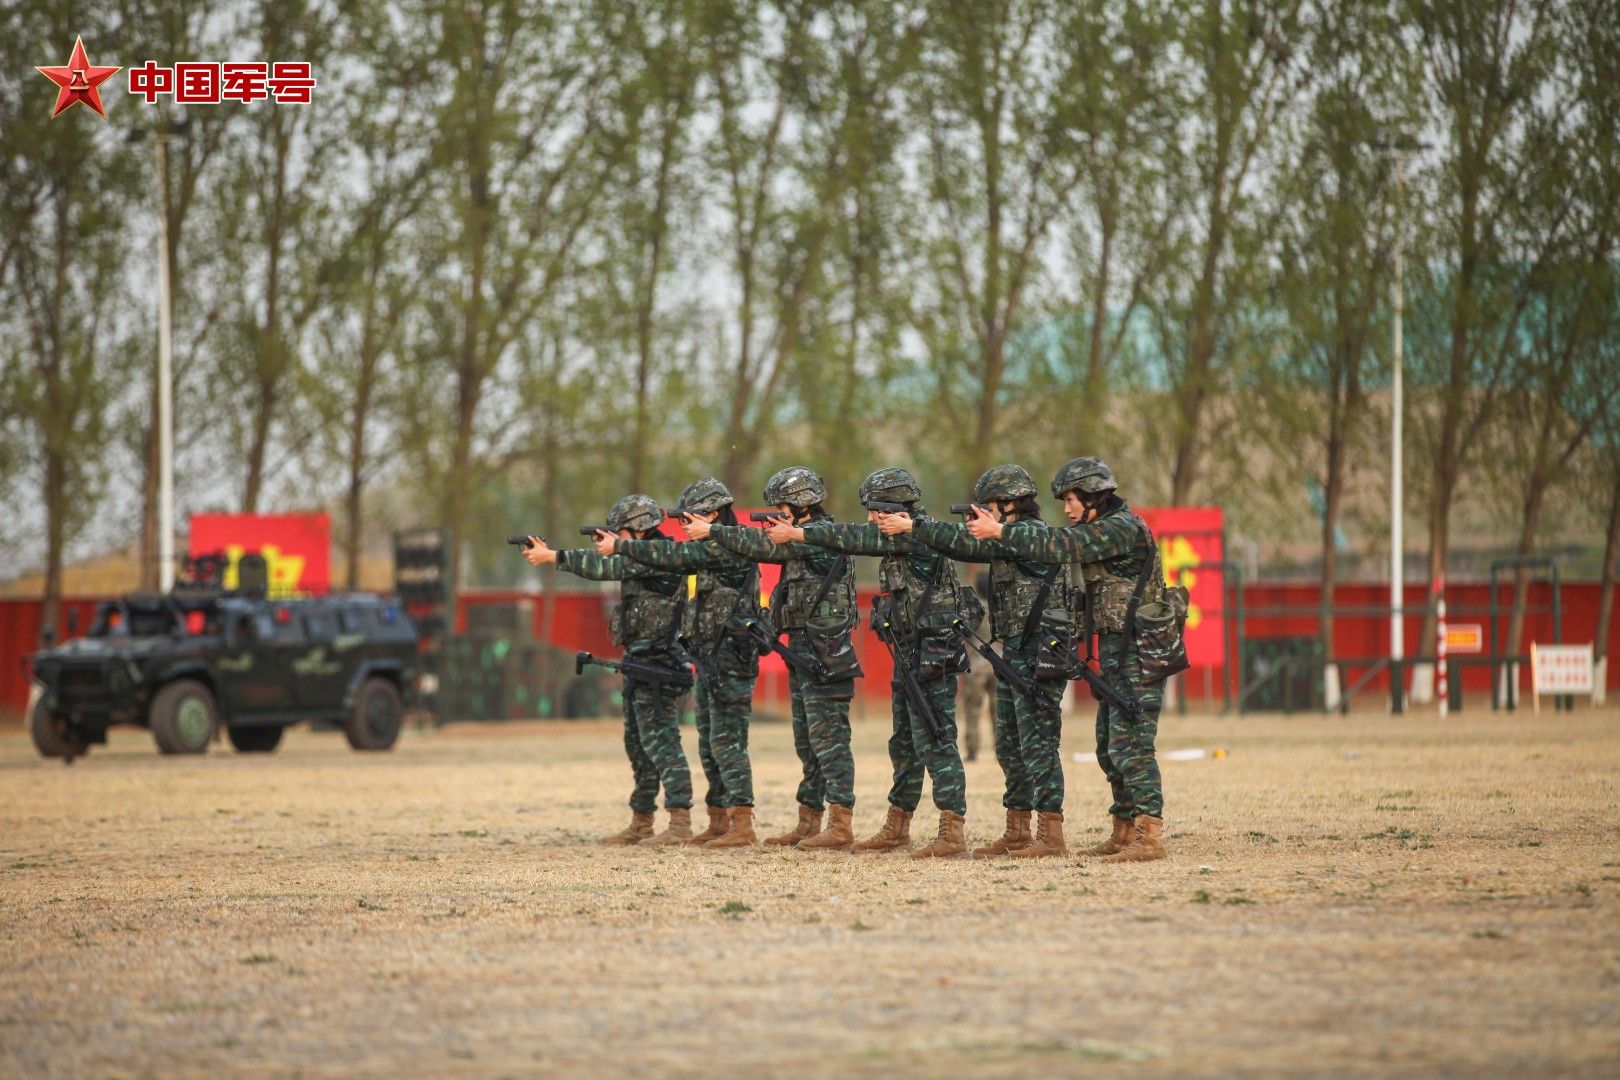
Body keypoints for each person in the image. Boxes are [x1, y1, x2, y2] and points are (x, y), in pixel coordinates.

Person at [965, 457, 1169, 862]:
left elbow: (1060, 546)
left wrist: (1000, 531)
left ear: (1094, 497)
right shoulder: (1101, 528)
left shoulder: (1121, 529)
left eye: (1072, 500)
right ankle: (1125, 831)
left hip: (1139, 652)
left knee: (1132, 746)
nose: (1067, 509)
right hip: (1117, 650)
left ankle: (1149, 837)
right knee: (1109, 746)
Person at [879, 464, 1072, 858]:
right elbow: (961, 543)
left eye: (989, 507)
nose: (983, 515)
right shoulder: (1003, 538)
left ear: (1009, 505)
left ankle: (1050, 834)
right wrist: (917, 527)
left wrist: (919, 528)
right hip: (1013, 653)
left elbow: (1028, 541)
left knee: (1039, 745)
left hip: (1040, 654)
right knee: (1011, 745)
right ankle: (1018, 829)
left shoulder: (1031, 534)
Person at [796, 467, 973, 858]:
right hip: (908, 653)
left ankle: (952, 829)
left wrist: (800, 533)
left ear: (898, 508)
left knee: (936, 738)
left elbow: (854, 538)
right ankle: (898, 825)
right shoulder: (900, 539)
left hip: (933, 656)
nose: (872, 519)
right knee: (904, 743)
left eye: (877, 510)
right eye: (870, 511)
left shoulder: (919, 535)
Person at [686, 466, 861, 851]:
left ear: (800, 504)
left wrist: (714, 530)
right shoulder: (800, 537)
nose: (778, 512)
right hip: (802, 649)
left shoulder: (821, 537)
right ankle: (809, 821)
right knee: (807, 741)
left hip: (825, 651)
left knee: (829, 740)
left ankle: (841, 823)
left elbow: (763, 547)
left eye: (782, 504)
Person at [521, 494, 694, 846]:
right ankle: (642, 821)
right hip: (639, 661)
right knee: (638, 745)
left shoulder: (659, 556)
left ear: (641, 532)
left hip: (659, 663)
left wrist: (553, 557)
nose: (617, 540)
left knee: (662, 744)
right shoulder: (640, 553)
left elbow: (606, 567)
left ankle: (679, 823)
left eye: (622, 533)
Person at [602, 478, 762, 849]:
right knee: (709, 743)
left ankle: (742, 824)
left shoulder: (727, 549)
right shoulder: (710, 547)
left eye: (693, 518)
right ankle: (720, 821)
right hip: (708, 658)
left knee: (727, 744)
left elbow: (674, 557)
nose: (685, 526)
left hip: (731, 660)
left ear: (714, 513)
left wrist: (620, 547)